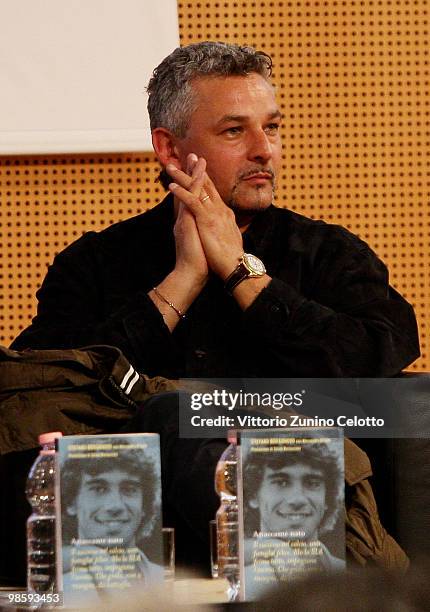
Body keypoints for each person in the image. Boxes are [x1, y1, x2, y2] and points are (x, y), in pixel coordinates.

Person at [11, 42, 419, 379]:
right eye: (234, 131)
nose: (264, 150)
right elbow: (42, 384)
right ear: (170, 148)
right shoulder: (93, 265)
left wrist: (242, 273)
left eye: (272, 127)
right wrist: (182, 281)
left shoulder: (328, 254)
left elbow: (380, 357)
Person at [60, 444, 163, 600]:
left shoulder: (163, 578)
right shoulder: (60, 586)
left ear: (144, 505)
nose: (115, 506)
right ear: (71, 503)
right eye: (99, 489)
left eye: (129, 489)